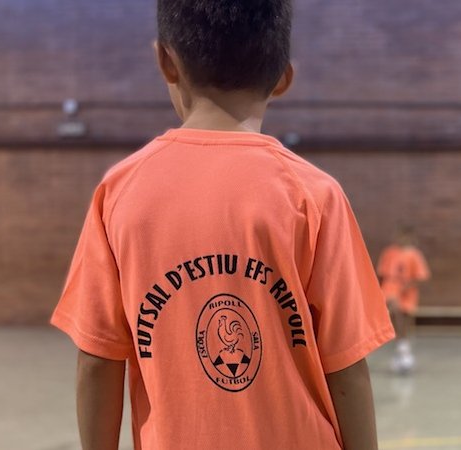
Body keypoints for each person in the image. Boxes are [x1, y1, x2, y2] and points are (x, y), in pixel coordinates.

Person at [50, 1, 394, 449]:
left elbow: (97, 361)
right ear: (283, 78)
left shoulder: (120, 192)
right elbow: (346, 365)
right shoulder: (314, 194)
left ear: (165, 61)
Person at [377, 226, 431, 373]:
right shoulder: (389, 252)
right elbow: (382, 274)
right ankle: (401, 345)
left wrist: (404, 287)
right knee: (393, 309)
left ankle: (402, 345)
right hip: (389, 289)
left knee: (403, 317)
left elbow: (420, 277)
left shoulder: (414, 254)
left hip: (407, 292)